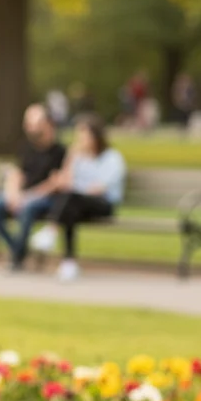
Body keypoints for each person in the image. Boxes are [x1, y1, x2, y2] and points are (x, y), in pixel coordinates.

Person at [30, 114, 127, 281]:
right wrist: (70, 159)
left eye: (84, 135)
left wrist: (75, 190)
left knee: (69, 200)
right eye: (79, 136)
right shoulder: (79, 157)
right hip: (77, 203)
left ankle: (51, 231)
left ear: (96, 137)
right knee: (69, 210)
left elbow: (98, 189)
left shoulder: (112, 158)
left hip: (103, 204)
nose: (81, 140)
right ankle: (69, 264)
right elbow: (66, 183)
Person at [0, 104, 66, 271]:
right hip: (23, 196)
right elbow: (17, 174)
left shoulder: (60, 151)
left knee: (28, 208)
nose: (31, 128)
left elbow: (57, 183)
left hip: (45, 199)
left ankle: (16, 257)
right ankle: (18, 249)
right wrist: (13, 195)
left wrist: (29, 196)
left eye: (36, 123)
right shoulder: (27, 148)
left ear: (48, 124)